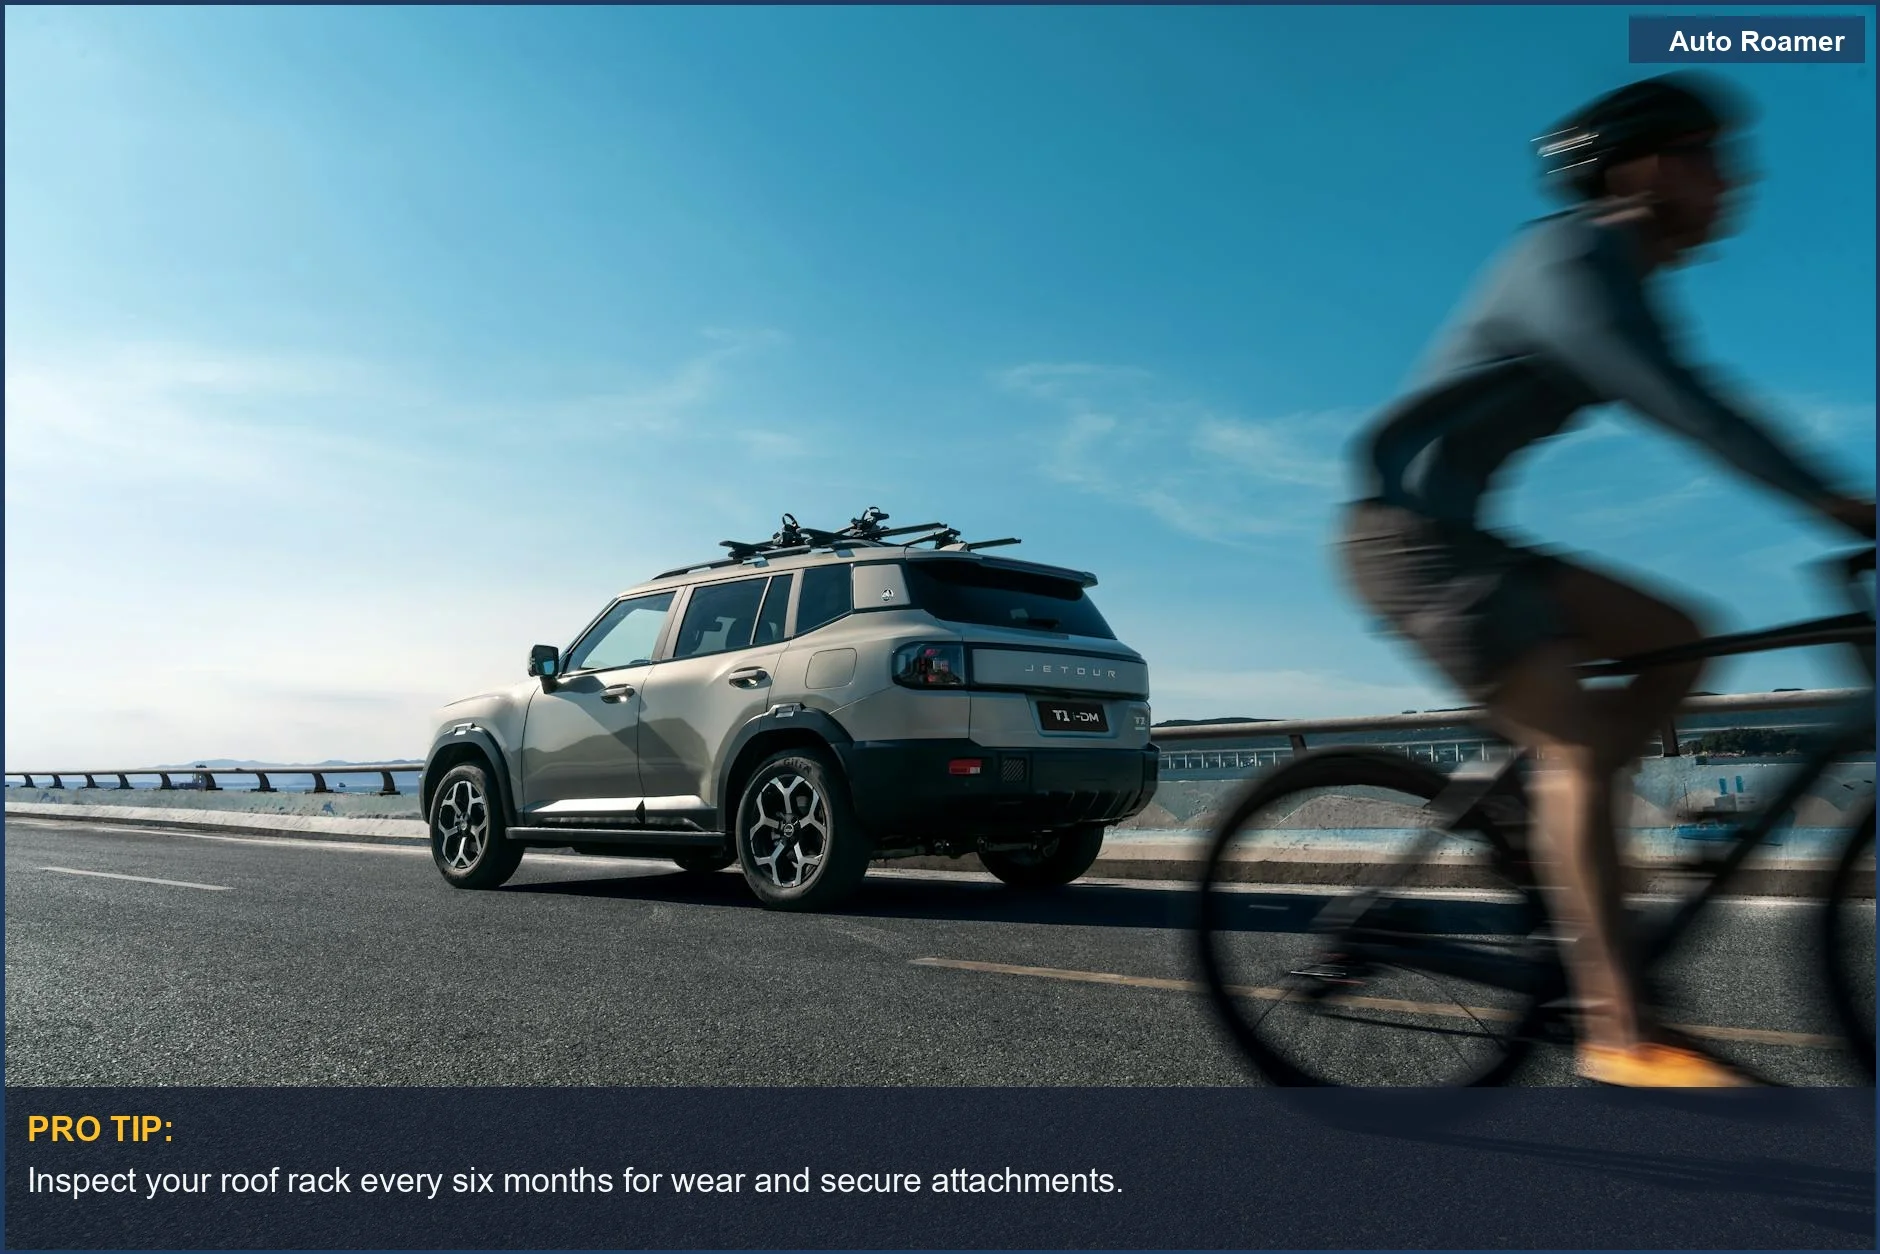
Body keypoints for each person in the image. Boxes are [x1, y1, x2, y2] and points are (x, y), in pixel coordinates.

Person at [1340, 72, 1876, 1087]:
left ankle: (1565, 830)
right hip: (1404, 540)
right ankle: (1617, 1031)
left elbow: (1684, 389)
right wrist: (1837, 502)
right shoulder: (1569, 257)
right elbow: (1679, 398)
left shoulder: (1620, 271)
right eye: (1711, 157)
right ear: (1641, 166)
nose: (1735, 180)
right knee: (1578, 744)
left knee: (1677, 635)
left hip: (1464, 539)